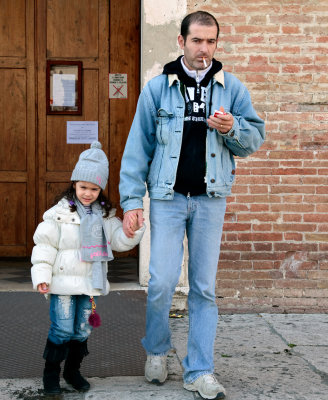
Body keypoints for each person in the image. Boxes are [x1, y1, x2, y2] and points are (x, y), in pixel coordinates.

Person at [119, 10, 265, 400]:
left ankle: (199, 369)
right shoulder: (157, 89)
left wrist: (232, 128)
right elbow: (138, 149)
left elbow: (254, 139)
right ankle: (156, 349)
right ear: (181, 41)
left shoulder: (231, 87)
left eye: (211, 41)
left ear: (217, 44)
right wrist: (132, 200)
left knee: (203, 288)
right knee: (162, 282)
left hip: (209, 199)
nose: (204, 49)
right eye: (197, 41)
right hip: (167, 199)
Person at [31, 141, 145, 395]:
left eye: (94, 189)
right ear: (74, 184)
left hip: (88, 283)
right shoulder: (58, 214)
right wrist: (41, 275)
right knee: (61, 327)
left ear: (100, 189)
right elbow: (44, 246)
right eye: (83, 187)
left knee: (82, 328)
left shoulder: (105, 216)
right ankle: (51, 375)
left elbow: (118, 240)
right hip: (61, 283)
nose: (87, 193)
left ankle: (72, 371)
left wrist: (134, 230)